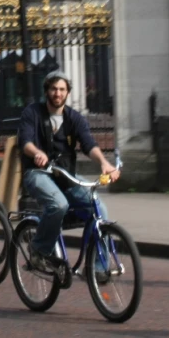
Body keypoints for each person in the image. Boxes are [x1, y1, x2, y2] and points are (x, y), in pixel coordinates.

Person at [18, 70, 120, 272]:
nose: (58, 93)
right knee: (59, 204)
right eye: (54, 89)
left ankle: (99, 268)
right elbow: (25, 142)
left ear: (68, 93)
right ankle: (39, 250)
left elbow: (88, 143)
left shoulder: (74, 118)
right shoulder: (33, 113)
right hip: (37, 173)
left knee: (98, 207)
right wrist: (37, 153)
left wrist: (103, 163)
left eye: (62, 89)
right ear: (47, 90)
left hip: (65, 175)